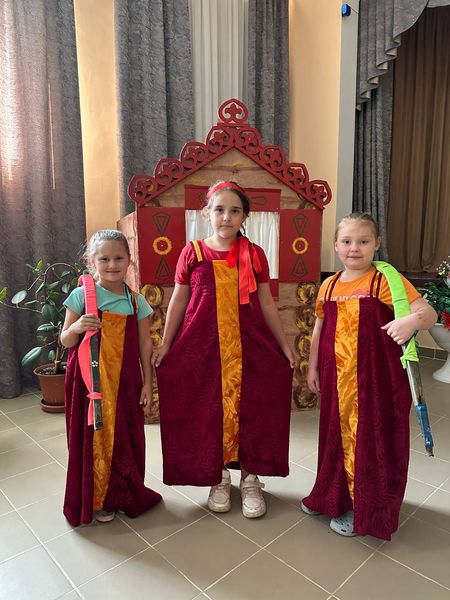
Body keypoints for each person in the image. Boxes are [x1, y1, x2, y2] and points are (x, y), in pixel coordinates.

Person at [153, 180, 294, 518]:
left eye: (235, 211)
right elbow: (179, 300)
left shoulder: (254, 254)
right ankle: (217, 475)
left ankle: (250, 477)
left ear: (245, 216)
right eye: (219, 210)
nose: (226, 217)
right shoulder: (192, 252)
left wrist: (284, 344)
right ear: (207, 213)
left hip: (249, 345)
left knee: (253, 408)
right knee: (207, 407)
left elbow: (266, 302)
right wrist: (166, 343)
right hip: (203, 347)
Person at [301, 212, 437, 540]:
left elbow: (428, 313)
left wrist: (411, 322)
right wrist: (312, 366)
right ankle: (330, 497)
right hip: (337, 381)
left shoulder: (386, 280)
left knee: (370, 441)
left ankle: (364, 509)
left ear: (377, 243)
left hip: (376, 384)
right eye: (347, 241)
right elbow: (320, 328)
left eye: (363, 241)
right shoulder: (329, 285)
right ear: (335, 245)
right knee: (336, 436)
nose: (354, 248)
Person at [61, 229, 162, 526]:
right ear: (91, 262)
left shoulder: (136, 301)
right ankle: (96, 498)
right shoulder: (82, 295)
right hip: (88, 385)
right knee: (91, 439)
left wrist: (147, 383)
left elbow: (145, 344)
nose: (112, 264)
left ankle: (121, 494)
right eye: (104, 259)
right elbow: (65, 340)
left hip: (125, 385)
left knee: (124, 439)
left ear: (130, 260)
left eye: (119, 258)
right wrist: (77, 326)